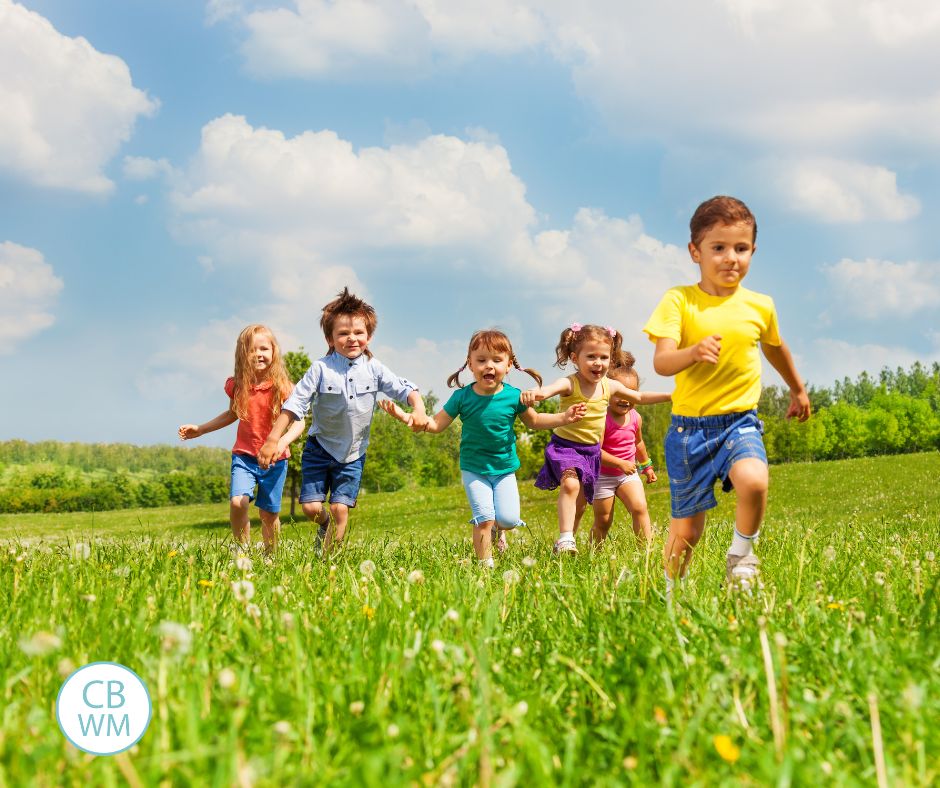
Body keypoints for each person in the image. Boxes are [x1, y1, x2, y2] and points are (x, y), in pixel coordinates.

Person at [643, 195, 811, 591]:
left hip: (740, 420)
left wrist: (797, 390)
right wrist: (693, 352)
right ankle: (671, 594)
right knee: (688, 530)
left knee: (754, 481)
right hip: (689, 431)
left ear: (753, 251)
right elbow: (662, 363)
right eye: (718, 248)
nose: (730, 257)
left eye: (741, 248)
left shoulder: (760, 305)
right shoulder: (679, 300)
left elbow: (774, 346)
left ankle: (742, 557)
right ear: (695, 252)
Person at [381, 329, 586, 567]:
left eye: (497, 360)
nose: (489, 366)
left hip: (504, 469)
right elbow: (435, 424)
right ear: (470, 364)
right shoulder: (462, 397)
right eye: (481, 360)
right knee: (484, 519)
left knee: (508, 519)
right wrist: (408, 418)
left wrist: (564, 417)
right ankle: (485, 565)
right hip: (474, 468)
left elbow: (536, 421)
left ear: (508, 365)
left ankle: (502, 531)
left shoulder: (514, 397)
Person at [257, 288, 428, 555]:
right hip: (319, 448)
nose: (352, 339)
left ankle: (328, 562)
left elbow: (406, 389)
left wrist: (418, 409)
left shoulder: (375, 368)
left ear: (369, 336)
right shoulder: (320, 369)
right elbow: (295, 405)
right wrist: (272, 440)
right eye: (343, 333)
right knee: (312, 508)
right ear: (330, 338)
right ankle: (323, 525)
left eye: (359, 333)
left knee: (339, 508)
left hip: (353, 454)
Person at [523, 324, 661, 555]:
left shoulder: (624, 404)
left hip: (608, 464)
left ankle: (646, 553)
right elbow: (550, 389)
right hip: (582, 458)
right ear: (576, 358)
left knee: (627, 508)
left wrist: (675, 395)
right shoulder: (575, 387)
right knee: (590, 506)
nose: (598, 362)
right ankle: (571, 541)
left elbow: (640, 407)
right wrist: (535, 394)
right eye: (591, 357)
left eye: (604, 357)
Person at [179, 324, 305, 554]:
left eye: (264, 348)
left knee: (268, 514)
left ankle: (271, 554)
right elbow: (232, 413)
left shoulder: (284, 388)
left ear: (274, 352)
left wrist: (282, 442)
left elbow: (299, 422)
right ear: (241, 355)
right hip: (244, 457)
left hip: (275, 460)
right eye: (251, 349)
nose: (258, 354)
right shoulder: (238, 386)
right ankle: (243, 551)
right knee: (238, 502)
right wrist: (201, 429)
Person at [575, 358, 671, 546]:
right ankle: (594, 552)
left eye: (632, 393)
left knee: (640, 508)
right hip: (602, 476)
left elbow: (638, 443)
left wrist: (647, 466)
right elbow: (594, 452)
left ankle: (646, 551)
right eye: (620, 393)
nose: (626, 398)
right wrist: (620, 463)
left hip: (627, 475)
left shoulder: (636, 418)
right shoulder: (601, 419)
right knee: (603, 521)